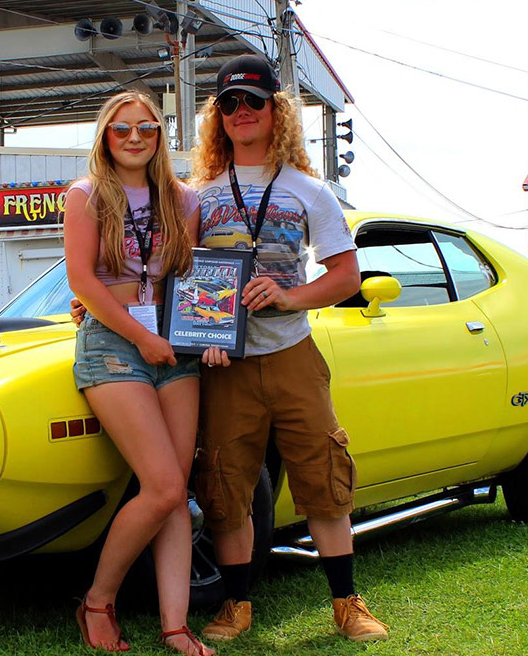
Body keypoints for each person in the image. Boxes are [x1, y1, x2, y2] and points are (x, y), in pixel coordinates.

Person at [192, 55, 383, 643]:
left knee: (324, 477)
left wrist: (290, 294)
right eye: (229, 103)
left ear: (278, 111)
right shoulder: (195, 196)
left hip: (293, 356)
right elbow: (175, 273)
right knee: (225, 487)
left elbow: (346, 276)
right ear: (216, 117)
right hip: (227, 365)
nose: (242, 112)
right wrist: (206, 336)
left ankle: (347, 604)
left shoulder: (308, 190)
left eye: (254, 101)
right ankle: (235, 606)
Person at [64, 92, 208, 655]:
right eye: (121, 129)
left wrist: (211, 334)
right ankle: (97, 602)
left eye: (145, 128)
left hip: (176, 345)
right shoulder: (86, 195)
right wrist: (140, 334)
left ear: (159, 135)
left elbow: (193, 280)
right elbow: (83, 280)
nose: (133, 138)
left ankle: (175, 625)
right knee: (164, 484)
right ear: (105, 136)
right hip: (115, 346)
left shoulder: (183, 199)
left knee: (176, 493)